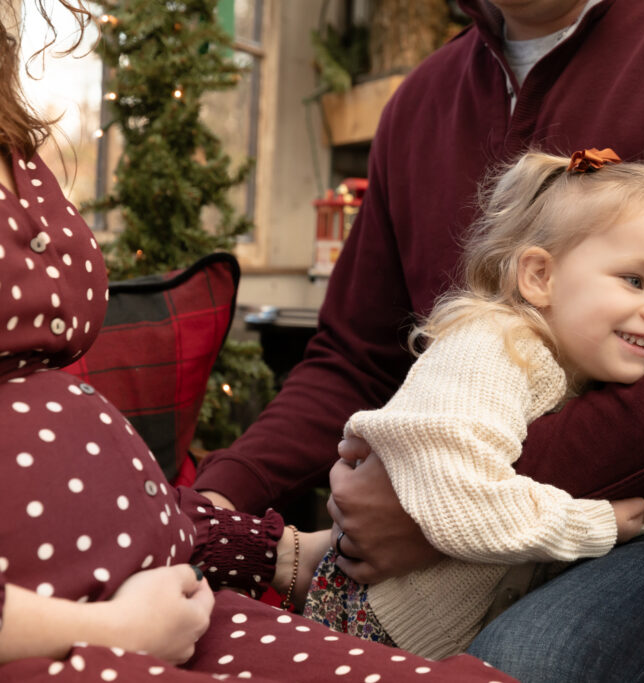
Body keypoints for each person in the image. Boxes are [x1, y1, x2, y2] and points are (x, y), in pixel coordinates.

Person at [196, 0, 644, 680]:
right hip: (505, 537)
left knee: (521, 666)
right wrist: (211, 503)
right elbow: (353, 359)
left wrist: (436, 503)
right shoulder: (420, 104)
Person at [0, 2, 517, 681]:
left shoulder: (12, 131)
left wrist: (273, 548)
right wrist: (109, 629)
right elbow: (351, 357)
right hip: (75, 632)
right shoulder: (426, 100)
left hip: (169, 593)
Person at [301, 148, 644, 658]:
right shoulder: (490, 349)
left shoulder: (581, 375)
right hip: (374, 635)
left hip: (431, 644)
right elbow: (461, 504)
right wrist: (599, 522)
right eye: (635, 280)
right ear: (539, 277)